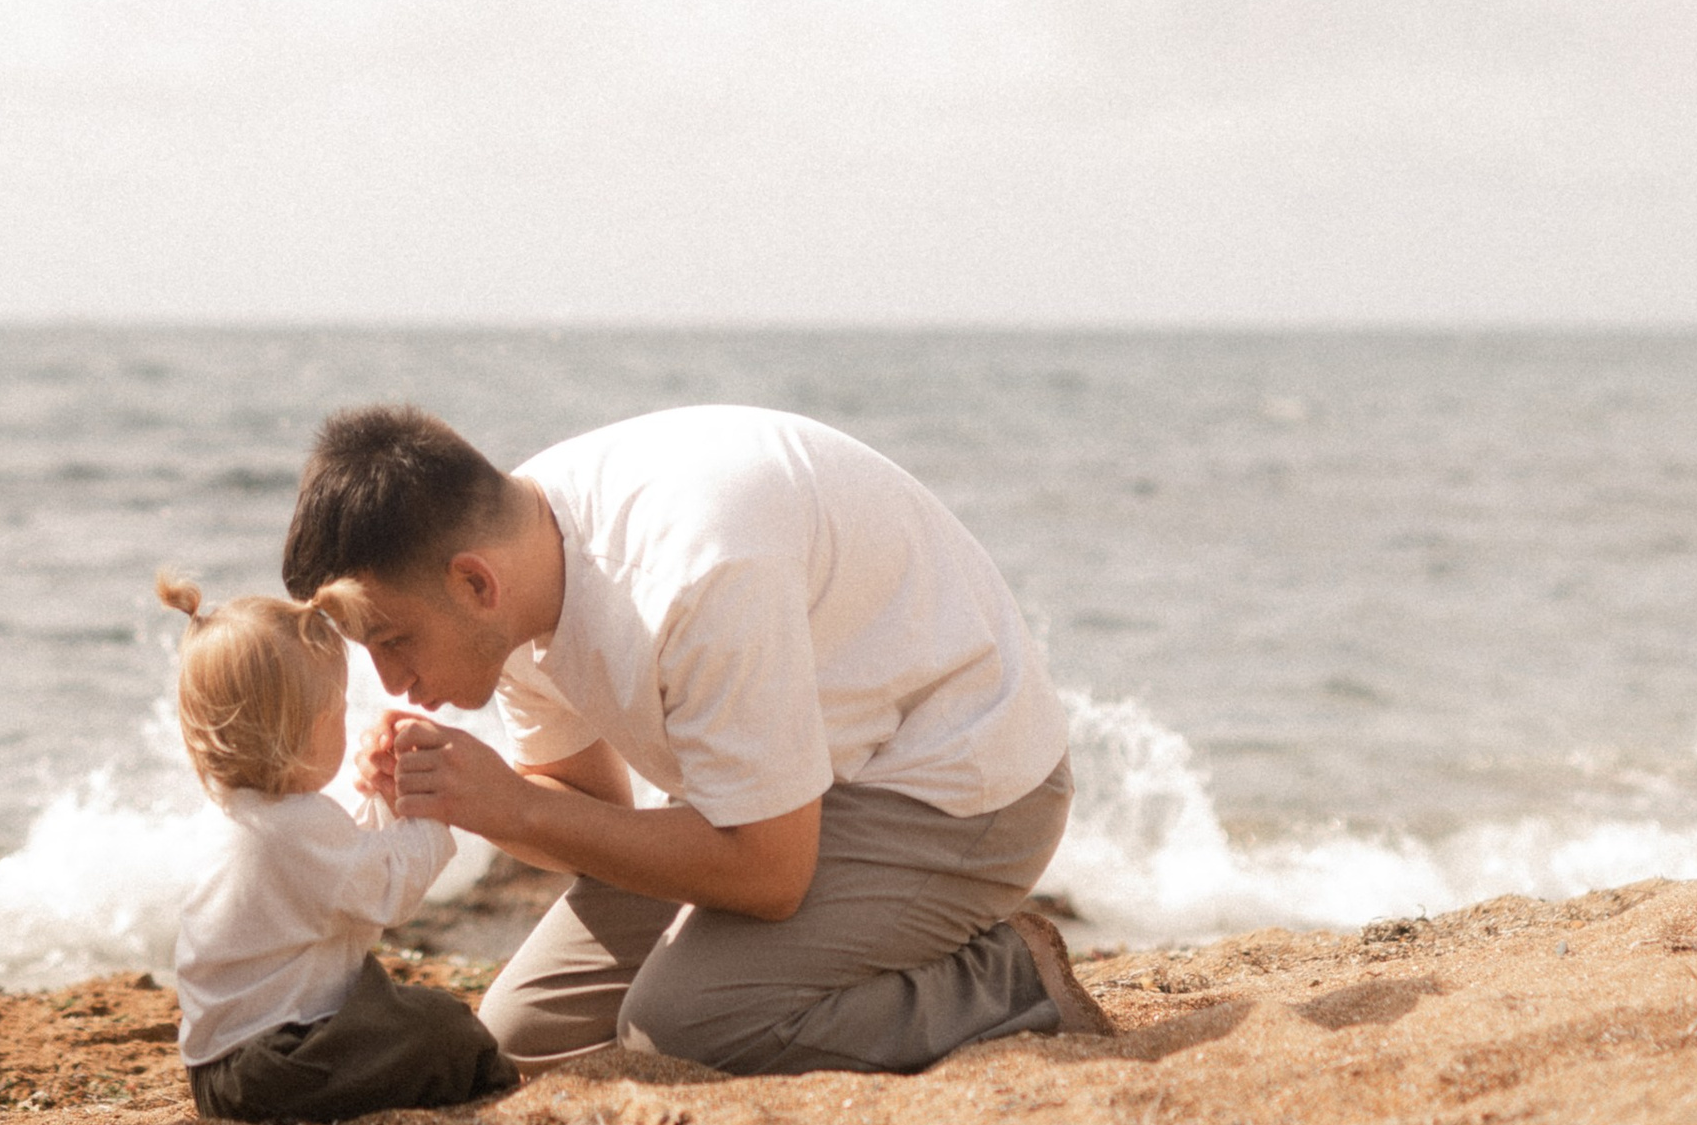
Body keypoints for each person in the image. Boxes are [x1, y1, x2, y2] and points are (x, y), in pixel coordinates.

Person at [280, 404, 1112, 1077]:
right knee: (522, 1032)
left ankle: (1008, 980)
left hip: (959, 781)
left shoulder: (694, 574)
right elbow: (590, 812)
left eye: (394, 640)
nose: (392, 681)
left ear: (474, 583)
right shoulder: (513, 562)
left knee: (687, 1029)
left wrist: (511, 806)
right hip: (793, 793)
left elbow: (770, 874)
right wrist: (469, 797)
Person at [157, 572, 517, 1125]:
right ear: (314, 725)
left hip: (219, 1072)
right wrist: (431, 811)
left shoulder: (237, 816)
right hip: (275, 1066)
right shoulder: (295, 827)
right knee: (444, 1028)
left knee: (394, 1004)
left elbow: (343, 879)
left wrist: (384, 801)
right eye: (342, 711)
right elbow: (388, 892)